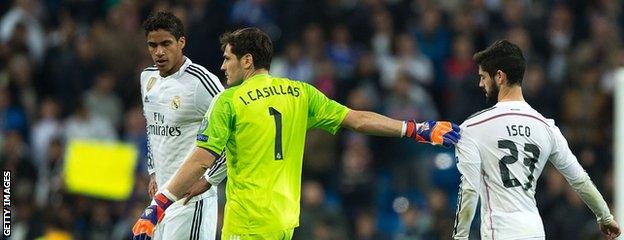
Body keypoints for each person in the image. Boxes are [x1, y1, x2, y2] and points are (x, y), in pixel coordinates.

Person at [132, 27, 460, 240]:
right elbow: (357, 119)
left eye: (227, 58)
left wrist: (157, 207)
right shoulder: (299, 92)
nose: (222, 67)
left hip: (247, 224)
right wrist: (414, 128)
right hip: (285, 221)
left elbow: (201, 159)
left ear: (246, 61)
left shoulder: (228, 101)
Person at [452, 40, 620, 240]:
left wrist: (460, 237)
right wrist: (605, 216)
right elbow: (579, 179)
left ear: (499, 76)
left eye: (483, 77)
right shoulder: (546, 127)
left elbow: (470, 189)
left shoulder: (474, 127)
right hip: (534, 230)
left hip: (501, 231)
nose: (480, 84)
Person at [131, 11, 226, 240]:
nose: (159, 52)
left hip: (191, 200)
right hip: (161, 198)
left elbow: (232, 130)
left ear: (181, 42)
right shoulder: (147, 78)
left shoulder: (201, 82)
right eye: (152, 45)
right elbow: (152, 127)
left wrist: (210, 179)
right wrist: (153, 172)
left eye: (166, 43)